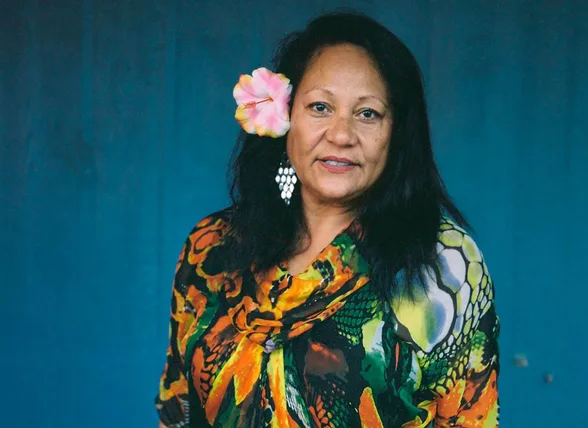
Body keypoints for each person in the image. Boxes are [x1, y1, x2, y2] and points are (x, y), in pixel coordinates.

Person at [155, 10, 500, 428]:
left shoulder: (439, 264)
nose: (341, 134)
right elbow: (178, 410)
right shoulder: (212, 248)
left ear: (397, 133)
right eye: (320, 107)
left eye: (368, 113)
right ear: (285, 119)